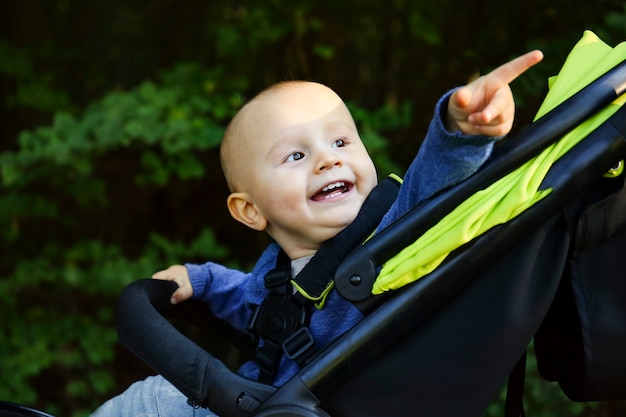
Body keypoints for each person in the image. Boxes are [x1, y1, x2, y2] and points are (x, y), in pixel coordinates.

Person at [91, 50, 543, 417]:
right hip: (265, 403)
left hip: (292, 409)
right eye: (295, 156)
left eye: (341, 142)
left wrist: (460, 131)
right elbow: (249, 301)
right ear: (250, 211)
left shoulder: (390, 234)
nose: (328, 160)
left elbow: (434, 184)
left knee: (150, 401)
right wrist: (203, 280)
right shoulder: (276, 271)